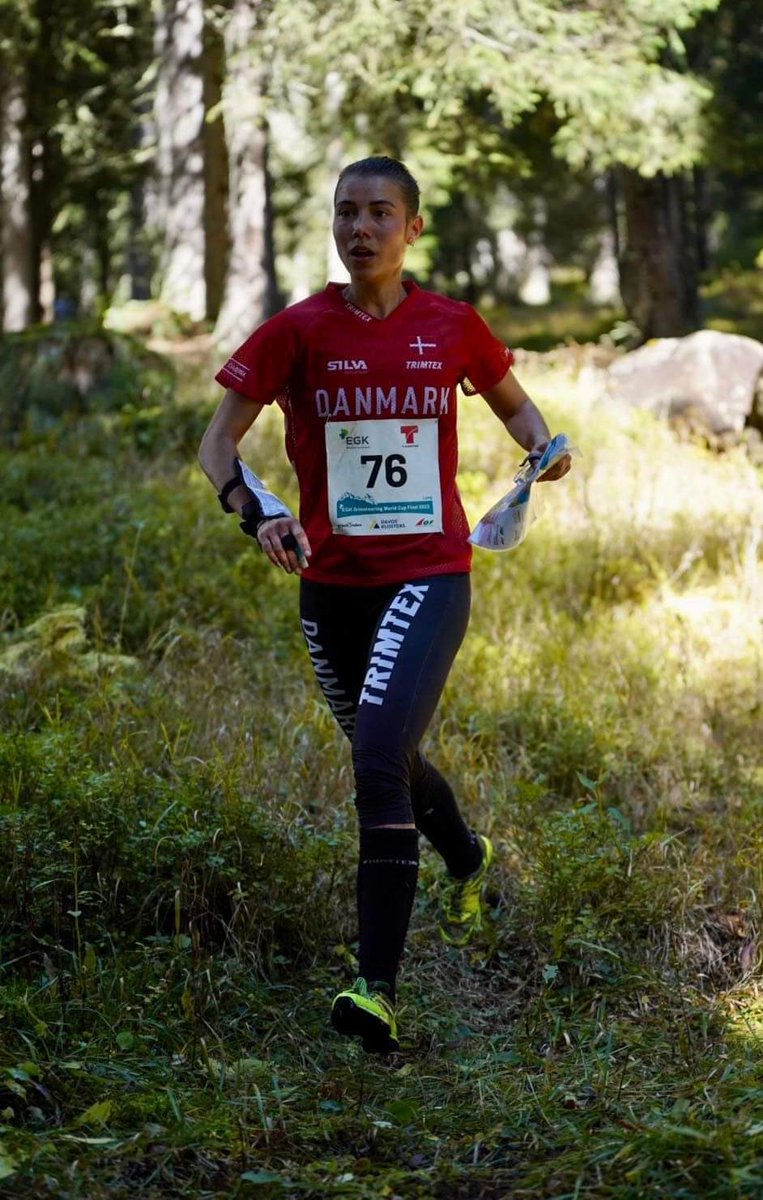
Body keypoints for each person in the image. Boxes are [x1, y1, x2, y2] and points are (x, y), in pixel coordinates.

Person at [199, 156, 571, 1055]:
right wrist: (261, 517)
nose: (359, 229)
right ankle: (467, 856)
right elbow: (218, 447)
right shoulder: (295, 331)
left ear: (411, 229)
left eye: (379, 214)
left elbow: (521, 414)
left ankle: (375, 986)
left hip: (430, 573)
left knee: (374, 753)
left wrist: (544, 451)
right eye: (346, 213)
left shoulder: (451, 326)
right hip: (330, 587)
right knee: (391, 752)